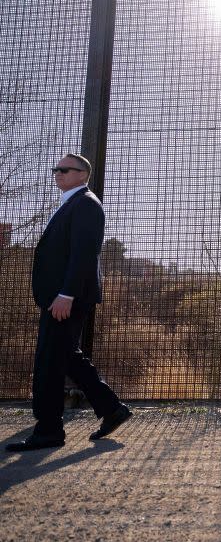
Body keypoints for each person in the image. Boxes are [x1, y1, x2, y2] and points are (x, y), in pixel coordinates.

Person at [5, 154, 132, 452]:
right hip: (59, 297)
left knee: (49, 362)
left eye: (64, 169)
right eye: (56, 169)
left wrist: (67, 294)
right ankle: (112, 408)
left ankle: (49, 431)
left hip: (67, 298)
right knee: (65, 355)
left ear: (82, 174)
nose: (57, 173)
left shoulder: (86, 204)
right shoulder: (71, 204)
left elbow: (84, 254)